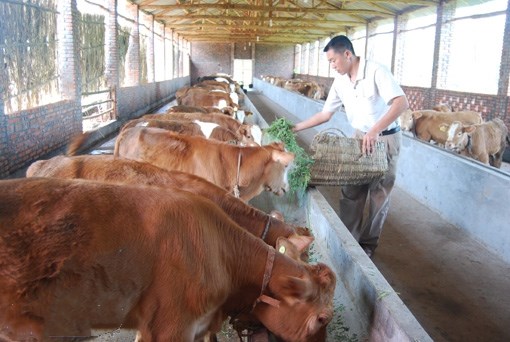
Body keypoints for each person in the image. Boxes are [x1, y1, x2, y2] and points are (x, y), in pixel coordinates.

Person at [292, 35, 409, 258]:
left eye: (333, 61)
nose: (332, 66)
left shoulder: (376, 71)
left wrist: (375, 129)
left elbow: (401, 103)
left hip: (385, 138)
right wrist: (296, 128)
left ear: (347, 54)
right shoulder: (340, 81)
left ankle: (368, 245)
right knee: (351, 188)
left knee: (379, 194)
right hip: (359, 136)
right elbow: (325, 114)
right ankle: (348, 239)